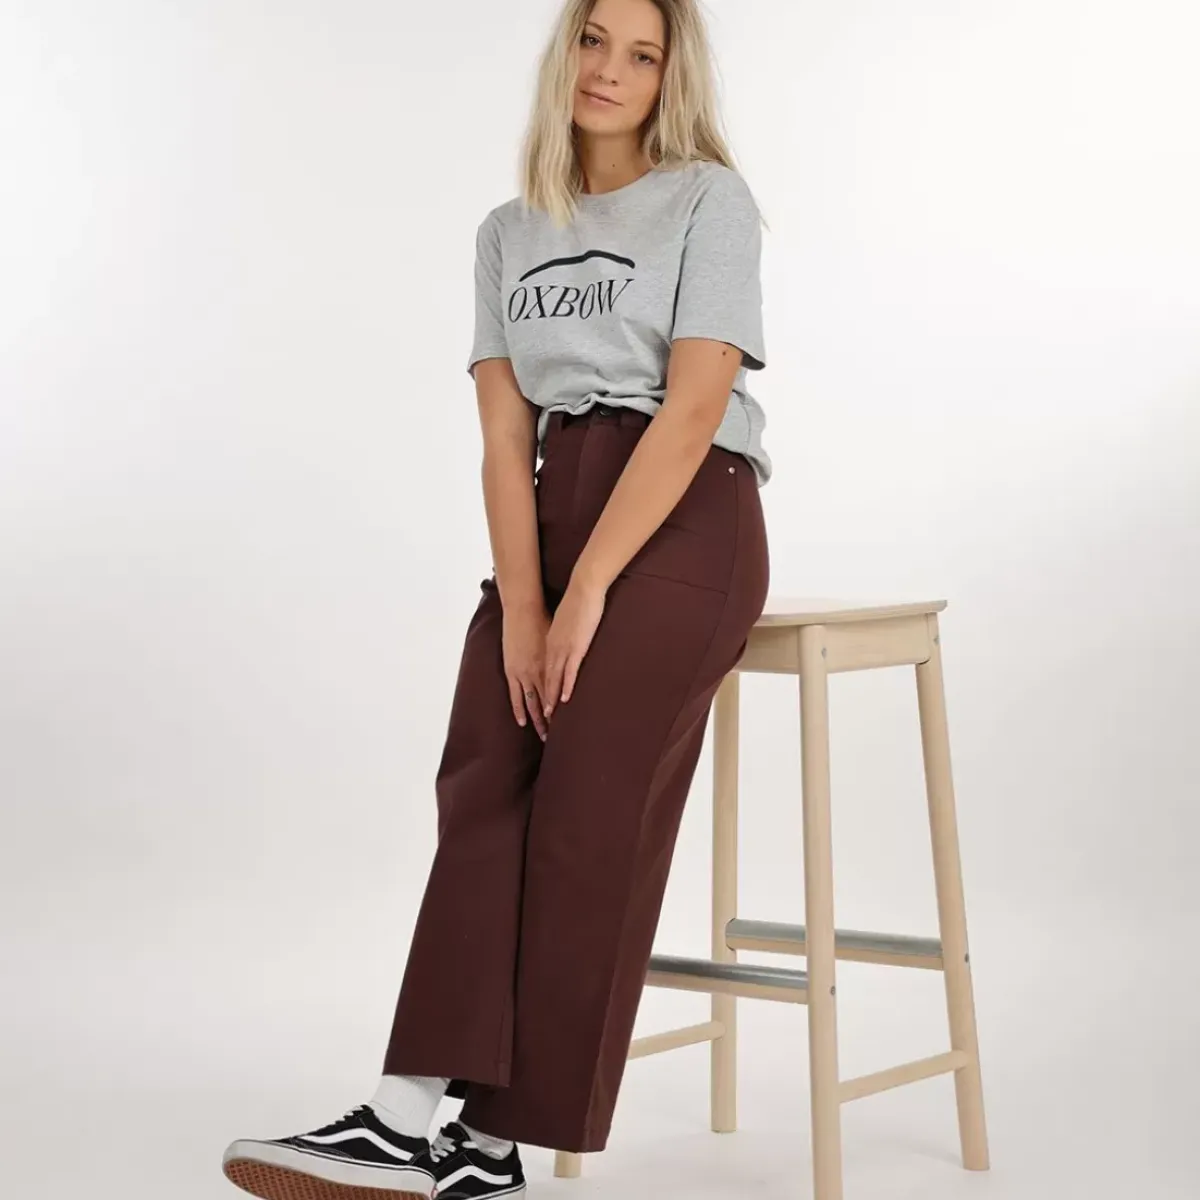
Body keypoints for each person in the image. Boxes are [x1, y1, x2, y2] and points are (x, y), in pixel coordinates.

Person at [222, 0, 771, 1196]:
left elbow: (692, 409)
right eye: (593, 41)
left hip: (682, 513)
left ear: (670, 79)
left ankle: (469, 1128)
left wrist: (592, 592)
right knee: (484, 777)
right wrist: (525, 606)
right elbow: (503, 436)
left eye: (642, 55)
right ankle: (427, 1129)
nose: (610, 69)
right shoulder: (508, 233)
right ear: (563, 50)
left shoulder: (708, 202)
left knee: (583, 806)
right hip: (553, 502)